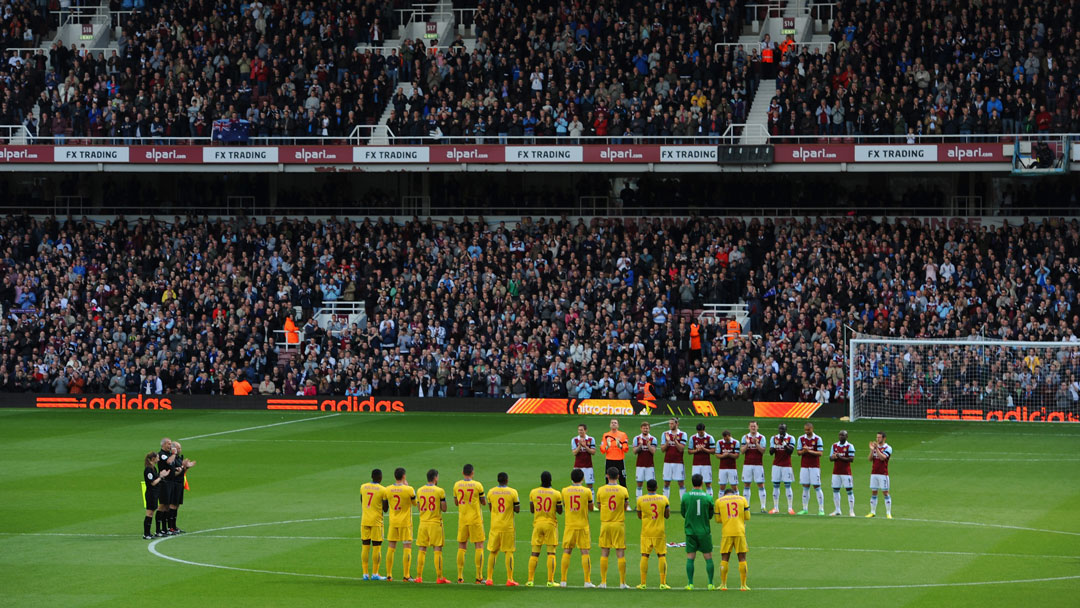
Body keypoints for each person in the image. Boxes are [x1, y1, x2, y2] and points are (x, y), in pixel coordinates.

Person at [559, 468, 595, 588]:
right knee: (585, 552)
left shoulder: (564, 491)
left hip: (569, 525)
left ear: (571, 478)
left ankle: (563, 581)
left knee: (567, 551)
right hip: (583, 525)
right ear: (582, 478)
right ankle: (587, 581)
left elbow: (565, 504)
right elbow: (591, 507)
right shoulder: (587, 491)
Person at [526, 471, 563, 587]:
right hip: (550, 525)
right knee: (551, 553)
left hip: (537, 524)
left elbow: (532, 510)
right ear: (551, 480)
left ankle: (530, 580)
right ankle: (550, 581)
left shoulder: (534, 492)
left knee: (534, 553)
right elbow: (560, 511)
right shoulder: (556, 494)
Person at [596, 467, 630, 588]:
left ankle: (603, 582)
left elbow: (599, 506)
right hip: (618, 523)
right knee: (620, 553)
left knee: (605, 552)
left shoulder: (601, 490)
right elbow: (625, 506)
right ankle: (622, 583)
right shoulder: (623, 490)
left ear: (607, 476)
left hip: (605, 523)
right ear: (618, 477)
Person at [680, 473, 716, 590]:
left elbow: (683, 513)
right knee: (708, 557)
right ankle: (710, 583)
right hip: (704, 531)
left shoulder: (685, 496)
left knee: (690, 557)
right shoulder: (708, 497)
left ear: (692, 482)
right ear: (702, 482)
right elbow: (710, 515)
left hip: (690, 531)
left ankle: (690, 583)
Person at [415, 468, 450, 584]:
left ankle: (418, 577)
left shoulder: (420, 490)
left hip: (423, 523)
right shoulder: (440, 491)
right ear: (435, 478)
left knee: (422, 549)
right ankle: (439, 577)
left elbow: (419, 508)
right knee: (437, 549)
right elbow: (444, 509)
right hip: (435, 523)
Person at [454, 463, 487, 583]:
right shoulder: (478, 485)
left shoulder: (457, 485)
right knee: (479, 546)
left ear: (463, 473)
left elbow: (456, 502)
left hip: (462, 520)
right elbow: (483, 502)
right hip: (475, 519)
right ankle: (479, 577)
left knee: (462, 546)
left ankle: (460, 576)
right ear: (472, 473)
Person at [485, 472, 520, 586]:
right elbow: (517, 509)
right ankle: (510, 579)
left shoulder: (491, 492)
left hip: (495, 526)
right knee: (508, 552)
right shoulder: (513, 492)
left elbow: (491, 508)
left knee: (493, 552)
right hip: (508, 527)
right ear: (507, 480)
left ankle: (489, 579)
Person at [635, 479, 670, 589]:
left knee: (645, 555)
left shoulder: (641, 500)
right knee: (661, 555)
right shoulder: (664, 499)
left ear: (647, 488)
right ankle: (663, 583)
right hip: (659, 531)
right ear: (657, 487)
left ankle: (643, 583)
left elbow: (639, 516)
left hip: (646, 531)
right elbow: (667, 515)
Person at [714, 487, 751, 591]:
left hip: (727, 533)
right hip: (740, 532)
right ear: (734, 493)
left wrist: (727, 519)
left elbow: (717, 519)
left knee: (724, 558)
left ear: (724, 494)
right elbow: (747, 517)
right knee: (742, 558)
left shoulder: (719, 501)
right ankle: (743, 585)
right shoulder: (742, 499)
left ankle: (723, 585)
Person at [384, 467, 416, 581]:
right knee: (407, 547)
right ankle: (406, 575)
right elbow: (415, 503)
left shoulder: (387, 489)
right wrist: (407, 487)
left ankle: (388, 575)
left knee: (391, 547)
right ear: (404, 476)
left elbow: (385, 506)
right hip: (405, 523)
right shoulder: (409, 489)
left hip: (393, 522)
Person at [360, 469, 388, 580]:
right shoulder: (383, 490)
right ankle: (375, 573)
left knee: (365, 546)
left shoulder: (363, 487)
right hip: (376, 522)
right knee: (377, 547)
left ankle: (365, 573)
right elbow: (385, 509)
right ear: (380, 478)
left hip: (365, 520)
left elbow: (362, 501)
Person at [796, 422, 826, 515]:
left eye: (808, 430)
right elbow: (798, 452)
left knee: (817, 486)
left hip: (814, 466)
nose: (806, 431)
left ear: (812, 429)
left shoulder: (818, 439)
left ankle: (821, 509)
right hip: (804, 466)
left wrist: (808, 450)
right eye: (805, 430)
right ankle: (805, 509)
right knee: (805, 487)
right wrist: (803, 451)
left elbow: (820, 453)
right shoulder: (801, 438)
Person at [165, 440, 194, 535]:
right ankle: (170, 527)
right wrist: (183, 466)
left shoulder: (178, 458)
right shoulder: (172, 459)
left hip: (180, 484)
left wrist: (186, 467)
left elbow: (182, 473)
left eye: (180, 448)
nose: (180, 450)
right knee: (172, 505)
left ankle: (173, 526)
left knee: (176, 505)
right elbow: (173, 473)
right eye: (178, 448)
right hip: (174, 484)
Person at [600, 419, 630, 507]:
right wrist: (607, 446)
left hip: (619, 460)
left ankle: (626, 503)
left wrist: (620, 446)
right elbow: (602, 450)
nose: (613, 424)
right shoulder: (606, 435)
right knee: (607, 480)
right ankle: (607, 502)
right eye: (612, 423)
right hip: (609, 460)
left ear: (618, 425)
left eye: (615, 423)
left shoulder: (622, 435)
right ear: (610, 425)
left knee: (622, 481)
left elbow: (626, 448)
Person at [768, 423, 796, 515]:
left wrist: (783, 443)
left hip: (787, 465)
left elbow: (790, 451)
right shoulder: (773, 438)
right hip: (776, 465)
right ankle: (775, 507)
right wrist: (775, 445)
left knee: (788, 485)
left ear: (786, 430)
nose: (781, 431)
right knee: (776, 485)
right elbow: (771, 452)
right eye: (780, 429)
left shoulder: (791, 438)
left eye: (783, 429)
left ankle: (790, 508)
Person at [740, 421, 767, 513]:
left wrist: (756, 444)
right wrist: (747, 444)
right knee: (746, 484)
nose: (753, 428)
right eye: (751, 426)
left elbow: (763, 451)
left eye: (754, 426)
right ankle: (746, 507)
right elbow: (742, 451)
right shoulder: (745, 437)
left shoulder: (761, 437)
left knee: (760, 484)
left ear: (757, 427)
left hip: (758, 464)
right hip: (747, 464)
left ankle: (763, 507)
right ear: (749, 427)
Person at [142, 452, 170, 539]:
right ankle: (146, 534)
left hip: (155, 493)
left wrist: (161, 476)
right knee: (149, 513)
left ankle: (148, 533)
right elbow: (153, 482)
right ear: (153, 459)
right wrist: (161, 477)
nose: (159, 459)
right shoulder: (148, 469)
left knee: (151, 513)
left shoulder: (153, 468)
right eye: (157, 457)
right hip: (151, 493)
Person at [829, 430, 857, 517]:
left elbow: (851, 459)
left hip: (846, 472)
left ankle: (851, 511)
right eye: (840, 435)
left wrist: (839, 457)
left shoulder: (850, 446)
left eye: (843, 435)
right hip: (836, 472)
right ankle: (837, 510)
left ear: (846, 437)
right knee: (835, 490)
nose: (841, 436)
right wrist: (833, 457)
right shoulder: (834, 445)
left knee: (849, 491)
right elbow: (830, 458)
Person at [866, 432, 893, 519]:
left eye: (879, 437)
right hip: (874, 473)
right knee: (874, 492)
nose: (877, 439)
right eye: (877, 437)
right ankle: (872, 512)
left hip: (883, 474)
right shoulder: (875, 448)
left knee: (885, 493)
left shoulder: (888, 448)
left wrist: (876, 449)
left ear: (884, 438)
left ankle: (888, 513)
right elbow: (870, 459)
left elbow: (883, 458)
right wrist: (871, 450)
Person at [660, 418, 688, 499]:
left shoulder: (683, 434)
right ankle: (665, 503)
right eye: (669, 423)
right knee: (666, 483)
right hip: (667, 462)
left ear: (677, 424)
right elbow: (662, 449)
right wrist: (668, 442)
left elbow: (681, 449)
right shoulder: (665, 434)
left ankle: (683, 503)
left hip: (678, 462)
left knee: (681, 483)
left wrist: (675, 441)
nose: (670, 425)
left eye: (672, 423)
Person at [570, 424, 597, 508]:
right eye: (579, 430)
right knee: (576, 485)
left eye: (581, 430)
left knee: (590, 485)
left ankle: (591, 505)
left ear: (585, 430)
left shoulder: (591, 439)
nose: (580, 431)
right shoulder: (574, 440)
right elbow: (574, 453)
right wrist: (579, 445)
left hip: (588, 466)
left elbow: (593, 452)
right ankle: (579, 503)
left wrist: (585, 446)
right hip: (578, 466)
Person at [631, 421, 657, 504]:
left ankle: (651, 503)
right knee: (639, 484)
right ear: (641, 429)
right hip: (640, 465)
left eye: (647, 428)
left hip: (650, 466)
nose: (645, 430)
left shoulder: (653, 439)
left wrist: (648, 444)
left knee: (651, 485)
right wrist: (640, 446)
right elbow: (634, 451)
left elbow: (653, 451)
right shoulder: (636, 438)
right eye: (644, 428)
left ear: (649, 429)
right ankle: (638, 503)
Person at [154, 438, 175, 537]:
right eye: (168, 444)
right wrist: (174, 454)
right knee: (162, 505)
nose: (170, 446)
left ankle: (164, 528)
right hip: (164, 483)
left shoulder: (168, 454)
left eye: (171, 444)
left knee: (167, 506)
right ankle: (158, 529)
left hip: (170, 482)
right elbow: (168, 461)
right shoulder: (162, 454)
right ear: (163, 445)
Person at [689, 423, 716, 498]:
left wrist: (704, 449)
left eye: (701, 432)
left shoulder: (709, 438)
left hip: (706, 464)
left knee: (708, 483)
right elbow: (689, 451)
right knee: (695, 484)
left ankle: (710, 499)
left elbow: (713, 451)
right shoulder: (693, 438)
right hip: (696, 464)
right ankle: (695, 499)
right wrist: (697, 450)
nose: (699, 433)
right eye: (698, 432)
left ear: (704, 430)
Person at [714, 430, 741, 495]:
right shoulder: (719, 442)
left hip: (732, 468)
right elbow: (717, 455)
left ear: (730, 436)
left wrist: (728, 454)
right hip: (722, 468)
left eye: (727, 439)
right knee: (722, 487)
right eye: (725, 439)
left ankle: (737, 501)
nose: (726, 440)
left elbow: (737, 455)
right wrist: (724, 455)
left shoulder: (736, 442)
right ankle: (720, 502)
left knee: (734, 486)